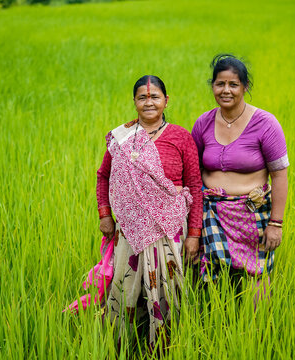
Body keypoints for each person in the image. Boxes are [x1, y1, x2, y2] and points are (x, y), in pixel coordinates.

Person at [96, 75, 203, 349]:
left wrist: (194, 234)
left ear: (166, 100)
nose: (149, 102)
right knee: (126, 291)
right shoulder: (122, 138)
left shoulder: (181, 137)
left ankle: (166, 348)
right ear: (134, 102)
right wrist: (105, 214)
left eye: (155, 96)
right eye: (142, 97)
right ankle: (121, 347)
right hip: (129, 232)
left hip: (169, 231)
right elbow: (103, 176)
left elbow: (194, 185)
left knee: (168, 295)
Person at [191, 54, 289, 297]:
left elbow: (279, 175)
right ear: (212, 86)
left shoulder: (266, 123)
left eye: (233, 84)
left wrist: (276, 223)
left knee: (257, 272)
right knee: (209, 273)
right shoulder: (203, 123)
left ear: (245, 87)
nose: (226, 90)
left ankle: (257, 332)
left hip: (251, 212)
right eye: (220, 84)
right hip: (211, 212)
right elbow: (193, 174)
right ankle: (215, 324)